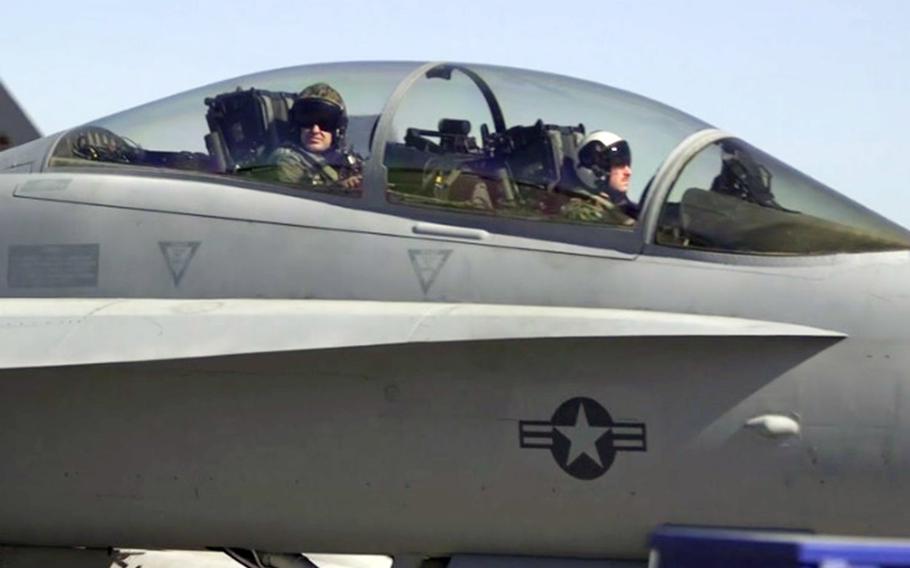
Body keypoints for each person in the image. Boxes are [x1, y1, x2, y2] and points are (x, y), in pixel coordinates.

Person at [263, 82, 363, 190]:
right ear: (297, 125)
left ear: (338, 127)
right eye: (307, 120)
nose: (315, 130)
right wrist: (340, 190)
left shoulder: (346, 159)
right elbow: (284, 202)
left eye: (325, 122)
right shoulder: (287, 161)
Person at [575, 130, 639, 220]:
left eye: (627, 164)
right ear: (596, 170)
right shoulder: (586, 215)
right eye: (619, 165)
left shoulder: (629, 210)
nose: (628, 172)